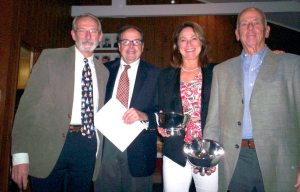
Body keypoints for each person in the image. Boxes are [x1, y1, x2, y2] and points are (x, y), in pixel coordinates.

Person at [203, 7, 300, 192]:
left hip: (280, 160)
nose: (250, 28)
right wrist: (208, 156)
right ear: (237, 34)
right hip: (235, 160)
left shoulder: (292, 65)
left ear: (267, 30)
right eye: (244, 24)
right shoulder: (221, 71)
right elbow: (213, 121)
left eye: (256, 23)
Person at [11, 13, 109, 191]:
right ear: (73, 34)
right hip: (48, 146)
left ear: (100, 36)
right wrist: (20, 156)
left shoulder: (103, 71)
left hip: (87, 146)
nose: (88, 36)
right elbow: (27, 109)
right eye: (82, 30)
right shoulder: (50, 59)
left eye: (93, 31)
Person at [94, 25, 160, 192]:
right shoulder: (103, 71)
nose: (131, 46)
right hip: (105, 146)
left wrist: (144, 115)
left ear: (142, 46)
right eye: (126, 41)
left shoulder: (157, 74)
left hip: (140, 148)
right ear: (119, 46)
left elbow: (163, 113)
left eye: (136, 41)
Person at [157, 21, 218, 192]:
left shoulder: (217, 72)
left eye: (194, 39)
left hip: (208, 150)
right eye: (183, 40)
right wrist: (161, 126)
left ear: (202, 43)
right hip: (176, 150)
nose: (189, 44)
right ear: (177, 45)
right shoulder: (165, 76)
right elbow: (161, 110)